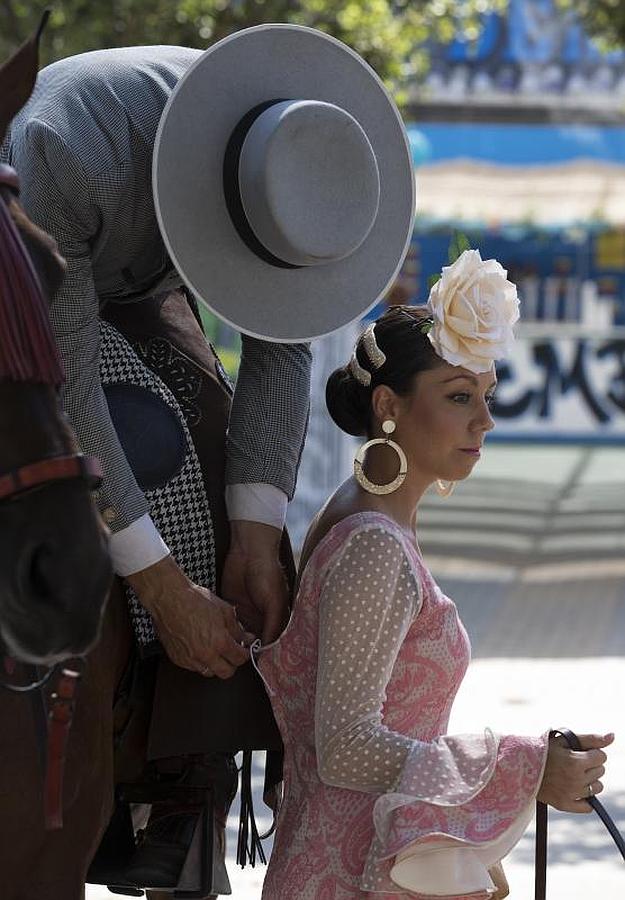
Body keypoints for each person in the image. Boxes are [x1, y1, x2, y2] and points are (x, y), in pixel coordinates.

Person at [0, 23, 416, 896]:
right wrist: (157, 584)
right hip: (37, 278)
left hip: (145, 281)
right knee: (143, 446)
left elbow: (281, 350)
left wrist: (256, 542)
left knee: (218, 455)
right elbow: (68, 366)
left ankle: (185, 782)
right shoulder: (70, 150)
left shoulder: (308, 170)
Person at [258, 249, 614, 899]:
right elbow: (343, 747)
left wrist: (462, 825)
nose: (484, 419)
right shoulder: (371, 546)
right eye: (458, 397)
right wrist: (522, 771)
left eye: (486, 395)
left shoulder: (371, 524)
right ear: (389, 405)